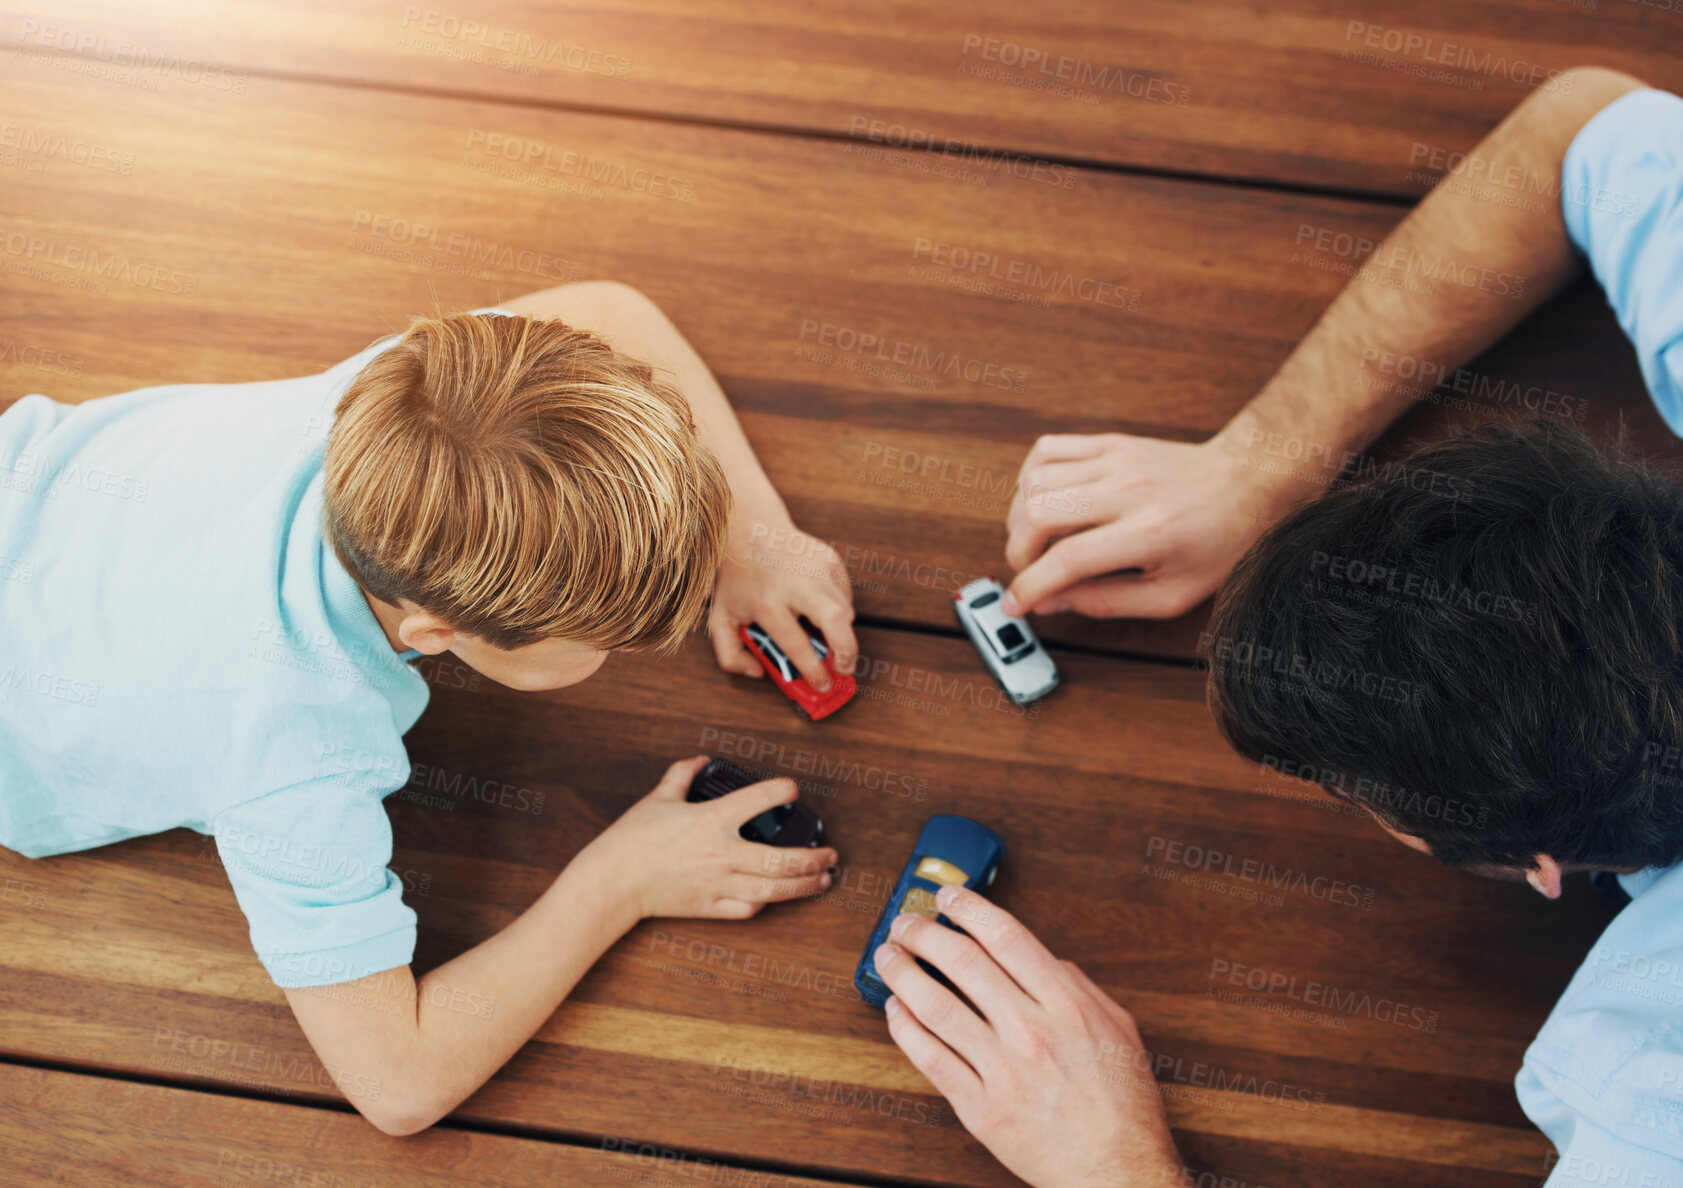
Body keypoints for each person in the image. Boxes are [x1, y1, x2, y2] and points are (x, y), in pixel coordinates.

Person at [880, 66, 1683, 1186]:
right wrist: (1263, 460)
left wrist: (1110, 1160)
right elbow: (1577, 131)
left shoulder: (1651, 1098)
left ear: (1540, 869)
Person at [0, 281, 853, 1135]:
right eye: (598, 642)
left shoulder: (424, 397)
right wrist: (619, 882)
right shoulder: (294, 756)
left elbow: (612, 312)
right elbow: (399, 1084)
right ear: (435, 633)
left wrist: (750, 541)